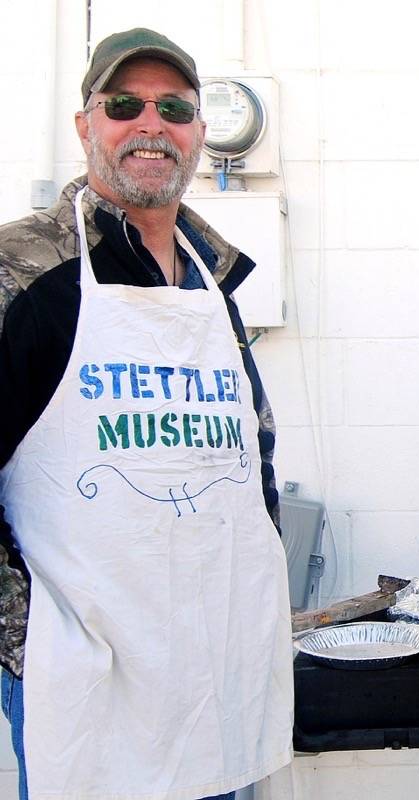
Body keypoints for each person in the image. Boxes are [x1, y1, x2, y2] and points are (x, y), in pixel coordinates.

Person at [0, 28, 293, 800]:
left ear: (198, 132)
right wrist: (26, 638)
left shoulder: (211, 281)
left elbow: (248, 460)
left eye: (175, 107)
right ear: (85, 125)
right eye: (125, 104)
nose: (151, 125)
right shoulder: (25, 272)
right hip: (85, 678)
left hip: (210, 675)